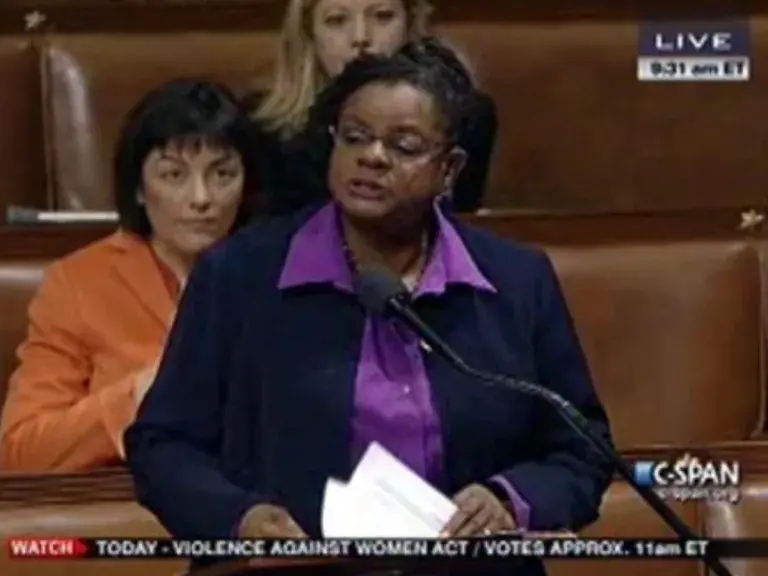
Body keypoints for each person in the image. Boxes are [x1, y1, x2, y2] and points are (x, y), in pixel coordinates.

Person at [125, 52, 612, 575]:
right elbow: (163, 445)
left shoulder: (515, 280)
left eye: (403, 146)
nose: (372, 157)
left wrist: (510, 499)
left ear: (450, 169)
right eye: (354, 137)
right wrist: (242, 518)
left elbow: (582, 450)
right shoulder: (240, 275)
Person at [0, 80, 260, 472]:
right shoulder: (79, 283)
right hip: (129, 506)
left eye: (222, 174)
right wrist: (137, 396)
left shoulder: (279, 274)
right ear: (138, 188)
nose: (202, 197)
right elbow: (19, 452)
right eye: (174, 176)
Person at [250, 0, 496, 215]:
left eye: (382, 17)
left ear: (410, 25)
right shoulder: (264, 126)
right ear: (310, 33)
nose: (360, 37)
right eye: (337, 20)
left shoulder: (467, 116)